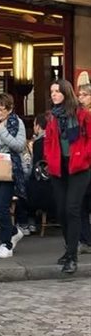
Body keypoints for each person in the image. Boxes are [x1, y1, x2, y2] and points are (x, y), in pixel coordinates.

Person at [44, 79, 91, 275]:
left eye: (57, 91)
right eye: (52, 92)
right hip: (59, 167)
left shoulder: (82, 114)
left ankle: (72, 257)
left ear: (66, 92)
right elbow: (48, 141)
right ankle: (68, 248)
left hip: (79, 167)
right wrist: (49, 159)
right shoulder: (53, 117)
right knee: (62, 211)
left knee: (72, 209)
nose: (54, 94)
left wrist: (84, 156)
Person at [0, 93, 27, 260]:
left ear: (9, 109)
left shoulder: (17, 123)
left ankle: (6, 244)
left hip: (11, 169)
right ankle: (13, 231)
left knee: (2, 205)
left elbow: (20, 146)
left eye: (1, 109)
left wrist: (3, 132)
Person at [77, 83, 91, 253]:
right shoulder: (78, 115)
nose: (81, 98)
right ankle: (85, 239)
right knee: (81, 203)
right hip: (82, 163)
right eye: (79, 95)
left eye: (84, 95)